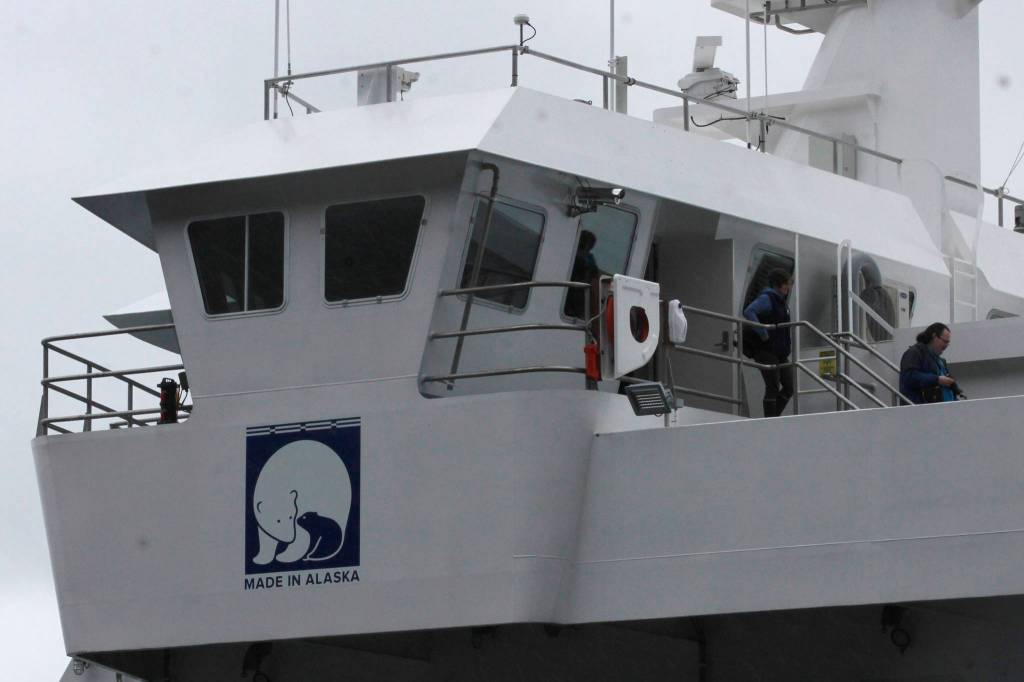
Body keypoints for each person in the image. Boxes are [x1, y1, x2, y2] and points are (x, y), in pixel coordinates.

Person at [742, 268, 794, 417]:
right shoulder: (767, 298)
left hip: (780, 351)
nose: (788, 287)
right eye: (786, 284)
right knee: (773, 385)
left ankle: (773, 418)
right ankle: (769, 421)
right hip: (766, 350)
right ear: (779, 284)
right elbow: (749, 311)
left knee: (789, 386)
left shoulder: (780, 301)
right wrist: (763, 333)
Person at [899, 323, 958, 404]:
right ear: (934, 337)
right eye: (945, 341)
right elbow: (909, 377)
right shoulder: (914, 353)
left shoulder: (940, 361)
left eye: (948, 343)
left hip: (942, 410)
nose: (946, 345)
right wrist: (937, 379)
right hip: (922, 411)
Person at [565, 230, 599, 318]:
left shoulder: (589, 257)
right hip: (573, 288)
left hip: (579, 290)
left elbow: (594, 272)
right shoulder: (577, 253)